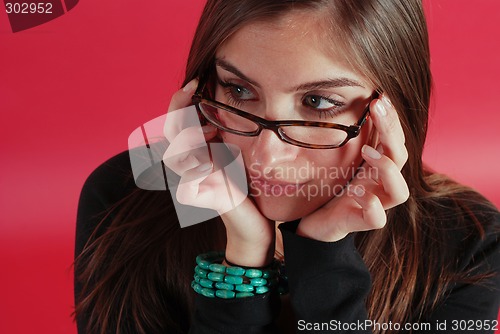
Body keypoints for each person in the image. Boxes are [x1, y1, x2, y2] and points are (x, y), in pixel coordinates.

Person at [73, 0, 500, 333]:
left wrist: (324, 258)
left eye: (317, 103)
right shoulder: (124, 197)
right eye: (239, 90)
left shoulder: (470, 247)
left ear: (390, 112)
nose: (266, 157)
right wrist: (241, 260)